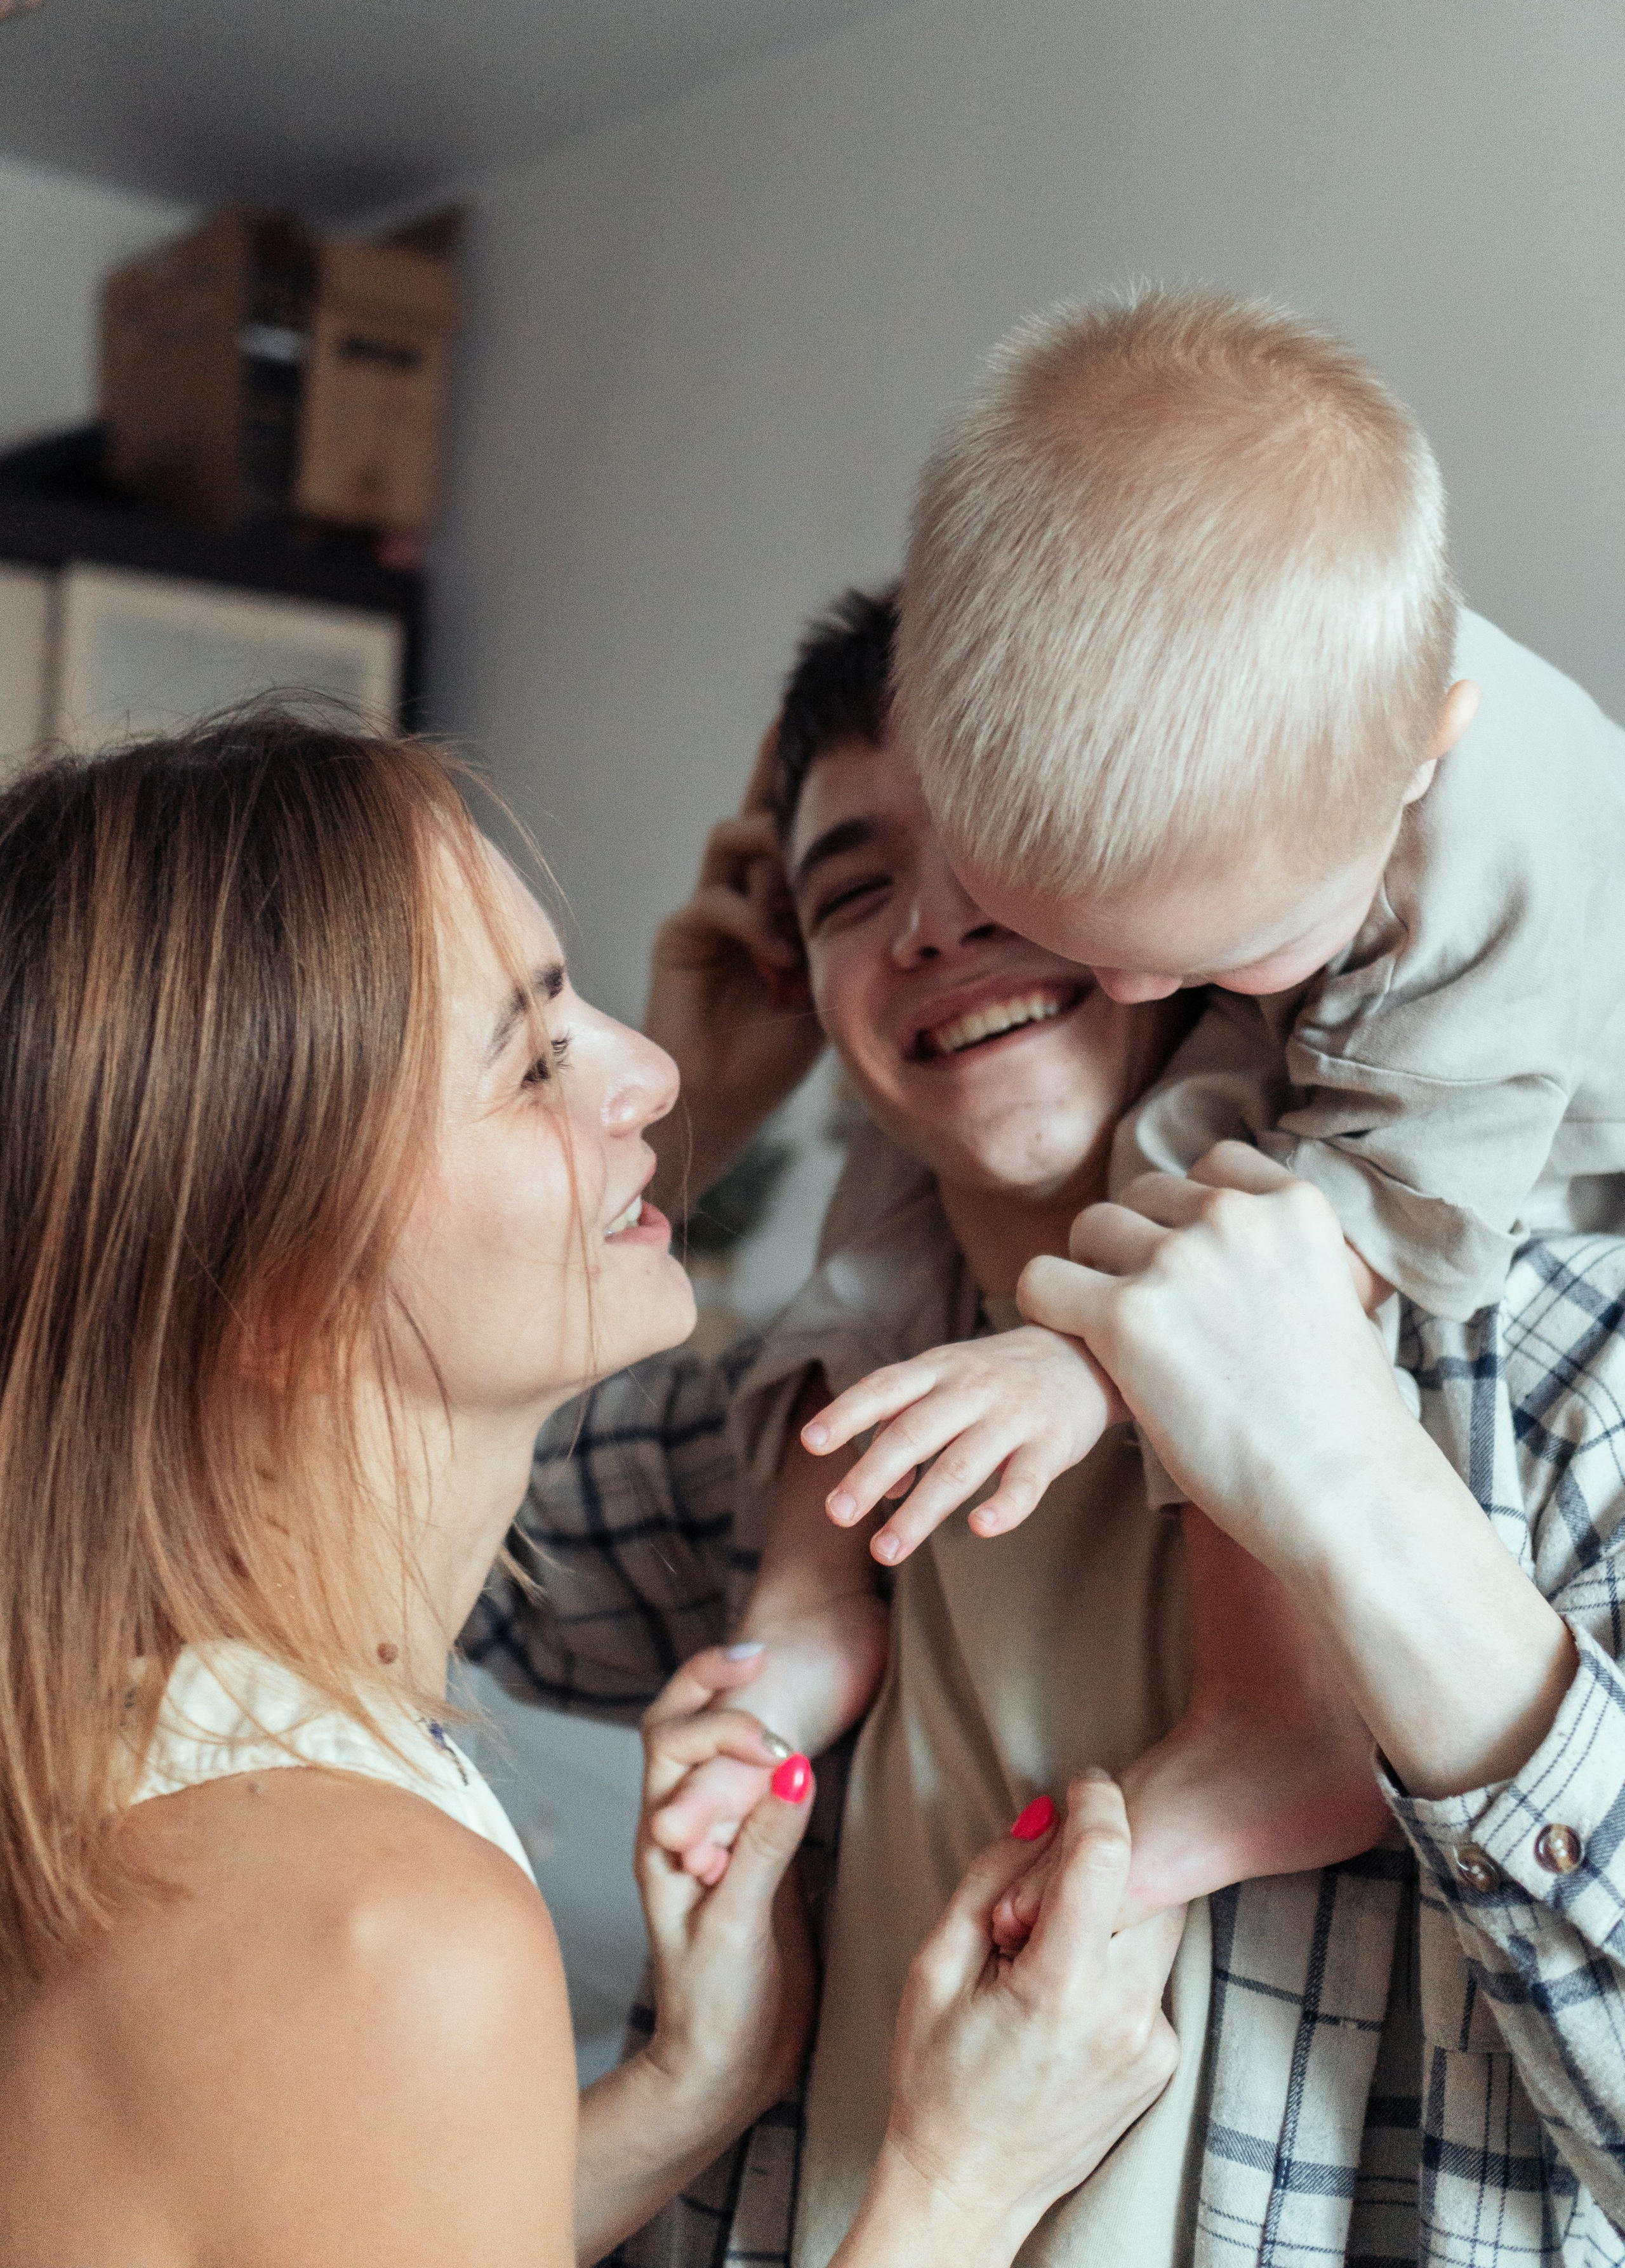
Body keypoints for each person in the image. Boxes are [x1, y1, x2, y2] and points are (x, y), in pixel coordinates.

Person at [471, 593, 1625, 2266]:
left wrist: (1365, 1511)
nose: (937, 924)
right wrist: (689, 1113)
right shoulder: (797, 1443)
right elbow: (294, 1531)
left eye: (1011, 849)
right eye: (855, 887)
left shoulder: (1561, 1380)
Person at [0, 709, 1183, 2268]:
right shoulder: (386, 1937)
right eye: (533, 1058)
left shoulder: (128, 1748)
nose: (649, 1069)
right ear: (278, 1302)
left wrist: (692, 2090)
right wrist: (957, 2181)